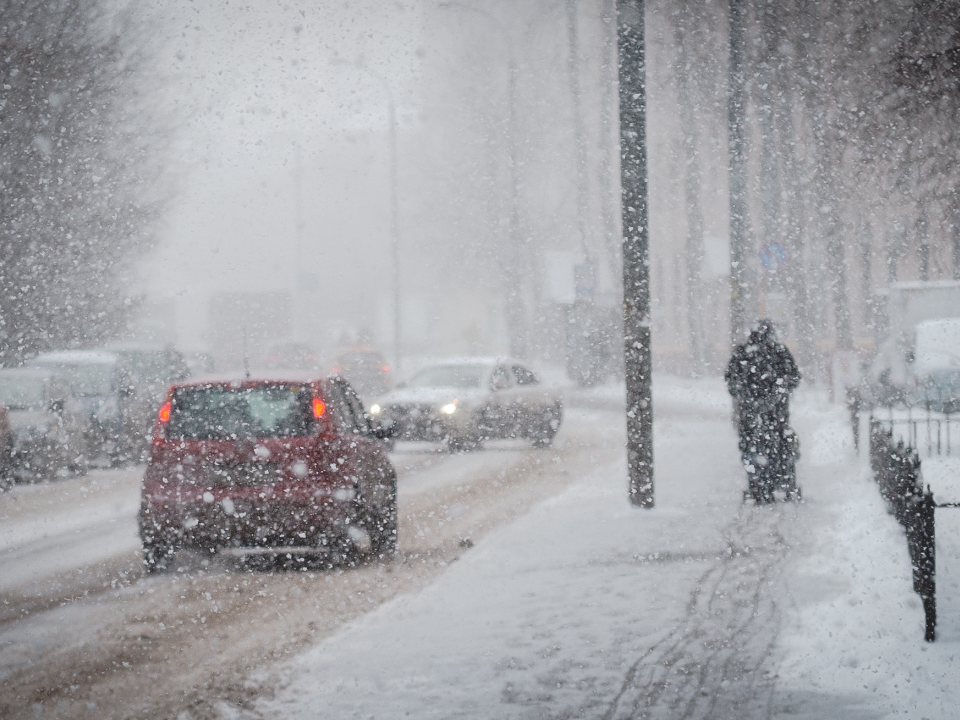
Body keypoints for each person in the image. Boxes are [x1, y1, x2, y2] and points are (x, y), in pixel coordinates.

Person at [724, 319, 801, 503]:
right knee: (779, 444)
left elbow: (731, 381)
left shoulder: (743, 354)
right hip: (776, 413)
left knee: (750, 445)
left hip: (750, 413)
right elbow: (794, 377)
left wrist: (744, 396)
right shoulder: (779, 352)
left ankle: (757, 481)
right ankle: (779, 477)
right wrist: (780, 392)